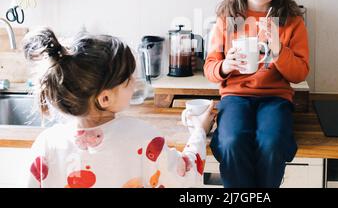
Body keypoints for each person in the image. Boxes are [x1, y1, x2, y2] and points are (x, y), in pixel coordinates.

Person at [23, 28, 215, 188]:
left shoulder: (46, 143)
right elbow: (182, 176)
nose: (134, 83)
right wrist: (199, 131)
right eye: (128, 80)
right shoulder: (142, 137)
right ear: (104, 98)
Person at [204, 0, 309, 188]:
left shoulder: (292, 22)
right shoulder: (227, 19)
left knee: (271, 142)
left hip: (276, 98)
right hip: (235, 97)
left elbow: (300, 73)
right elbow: (210, 68)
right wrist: (225, 66)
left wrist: (278, 48)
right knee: (231, 141)